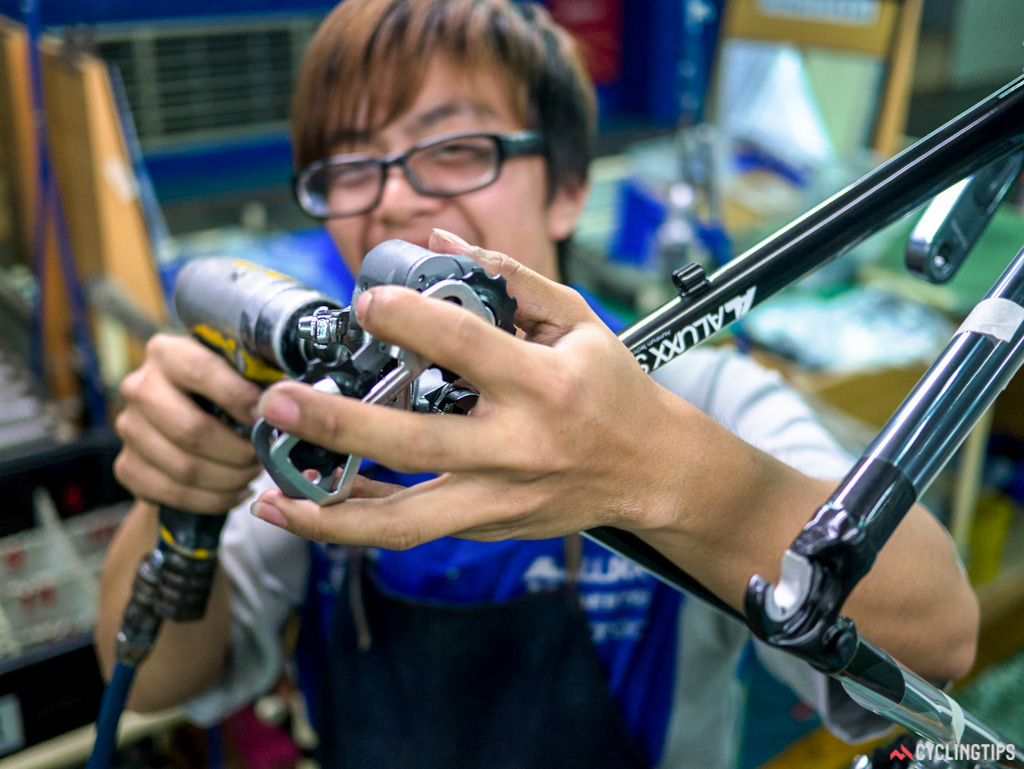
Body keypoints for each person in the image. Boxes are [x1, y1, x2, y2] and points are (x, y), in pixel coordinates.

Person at [96, 1, 979, 767]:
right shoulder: (326, 422)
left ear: (567, 188)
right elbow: (156, 677)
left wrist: (659, 468)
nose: (394, 200)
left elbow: (940, 630)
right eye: (352, 168)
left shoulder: (700, 391)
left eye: (452, 149)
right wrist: (179, 491)